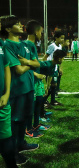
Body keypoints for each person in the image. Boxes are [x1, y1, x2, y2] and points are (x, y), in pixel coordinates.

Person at [2, 15, 40, 165]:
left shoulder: (27, 45)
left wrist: (28, 63)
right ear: (8, 29)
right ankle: (14, 153)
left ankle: (21, 143)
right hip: (17, 89)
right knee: (15, 121)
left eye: (20, 23)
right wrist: (29, 64)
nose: (21, 25)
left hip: (29, 87)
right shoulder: (7, 46)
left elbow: (37, 63)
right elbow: (18, 70)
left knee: (24, 118)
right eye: (17, 24)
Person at [0, 16, 18, 168]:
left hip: (2, 101)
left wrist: (6, 93)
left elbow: (6, 66)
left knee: (6, 138)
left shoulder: (1, 44)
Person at [43, 31, 64, 106]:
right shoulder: (52, 46)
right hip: (50, 68)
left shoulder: (60, 46)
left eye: (63, 38)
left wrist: (60, 68)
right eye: (61, 38)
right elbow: (45, 57)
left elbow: (60, 58)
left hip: (55, 68)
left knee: (54, 85)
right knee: (50, 86)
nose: (62, 40)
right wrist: (46, 68)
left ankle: (52, 101)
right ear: (56, 38)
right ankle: (44, 101)